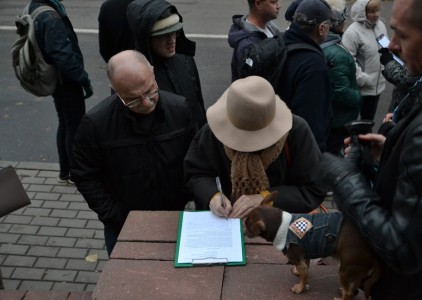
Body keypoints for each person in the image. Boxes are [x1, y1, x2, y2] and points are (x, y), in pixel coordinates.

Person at [314, 0, 422, 298]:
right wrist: (392, 155)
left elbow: (403, 249)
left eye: (402, 35)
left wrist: (345, 182)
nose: (394, 46)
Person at [71, 50, 196, 256]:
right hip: (122, 227)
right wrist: (113, 215)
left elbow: (195, 161)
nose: (146, 103)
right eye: (133, 100)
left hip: (174, 218)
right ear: (115, 90)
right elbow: (84, 174)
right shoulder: (96, 124)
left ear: (153, 73)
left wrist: (187, 195)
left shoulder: (179, 109)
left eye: (150, 91)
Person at [184, 76, 326, 219]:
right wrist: (212, 195)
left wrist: (265, 198)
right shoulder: (214, 130)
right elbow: (196, 172)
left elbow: (313, 189)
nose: (245, 146)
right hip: (225, 224)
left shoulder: (296, 132)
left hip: (279, 227)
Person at [29, 0, 93, 183]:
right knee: (74, 125)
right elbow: (63, 55)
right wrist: (83, 78)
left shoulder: (35, 7)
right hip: (66, 81)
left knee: (65, 123)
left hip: (56, 80)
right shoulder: (51, 17)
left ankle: (65, 172)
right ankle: (74, 173)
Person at [126, 0, 206, 129]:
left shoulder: (184, 58)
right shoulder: (134, 75)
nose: (172, 40)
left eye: (174, 32)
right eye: (162, 36)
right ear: (146, 38)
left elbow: (198, 103)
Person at [277, 0, 334, 152]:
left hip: (271, 140)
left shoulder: (279, 43)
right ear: (321, 28)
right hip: (295, 153)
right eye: (329, 25)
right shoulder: (314, 66)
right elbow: (311, 125)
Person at [322, 0, 361, 155]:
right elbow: (341, 91)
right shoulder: (337, 54)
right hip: (339, 118)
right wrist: (358, 96)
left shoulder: (321, 41)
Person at [342, 0, 387, 121]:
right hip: (361, 88)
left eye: (377, 10)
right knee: (353, 124)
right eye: (372, 11)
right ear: (362, 12)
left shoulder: (380, 26)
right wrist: (363, 79)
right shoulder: (352, 32)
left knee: (368, 122)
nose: (376, 14)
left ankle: (365, 139)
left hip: (377, 86)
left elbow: (385, 47)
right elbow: (348, 60)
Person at [228, 0, 281, 82]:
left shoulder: (270, 26)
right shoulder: (247, 45)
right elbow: (249, 84)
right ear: (258, 4)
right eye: (273, 2)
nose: (278, 6)